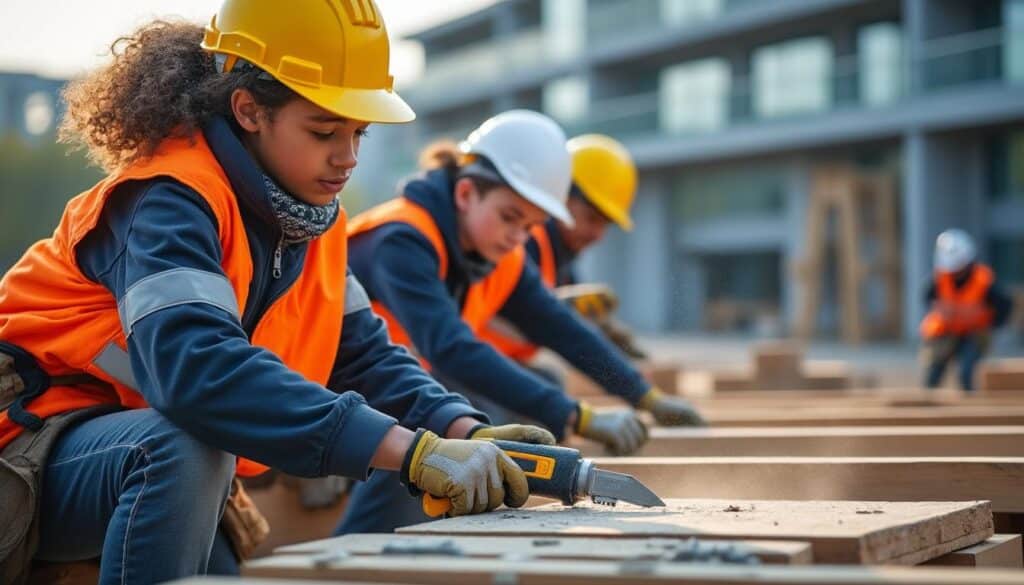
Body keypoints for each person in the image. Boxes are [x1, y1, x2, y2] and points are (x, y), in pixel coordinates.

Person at [0, 3, 551, 583]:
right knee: (183, 448)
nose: (347, 157)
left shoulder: (308, 221)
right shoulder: (165, 201)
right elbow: (199, 371)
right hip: (26, 448)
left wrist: (459, 428)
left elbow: (364, 356)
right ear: (249, 110)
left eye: (358, 133)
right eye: (324, 131)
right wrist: (408, 452)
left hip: (136, 449)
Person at [337, 111, 705, 535]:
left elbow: (562, 330)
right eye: (510, 217)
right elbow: (450, 347)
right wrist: (578, 416)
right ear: (466, 193)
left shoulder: (498, 253)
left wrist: (643, 396)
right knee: (442, 427)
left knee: (521, 399)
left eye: (530, 226)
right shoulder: (402, 240)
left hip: (398, 386)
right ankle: (356, 547)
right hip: (340, 390)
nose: (518, 237)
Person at [481, 134, 651, 362]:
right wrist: (558, 311)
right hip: (465, 366)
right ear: (561, 196)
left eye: (605, 225)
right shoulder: (523, 243)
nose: (598, 235)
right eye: (592, 219)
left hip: (498, 364)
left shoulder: (560, 257)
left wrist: (602, 333)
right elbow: (503, 309)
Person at [920, 229, 1014, 392]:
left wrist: (992, 325)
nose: (955, 273)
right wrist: (939, 310)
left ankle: (969, 400)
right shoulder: (940, 278)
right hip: (945, 331)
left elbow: (1004, 305)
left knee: (966, 373)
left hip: (973, 333)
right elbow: (927, 298)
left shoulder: (984, 281)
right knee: (933, 374)